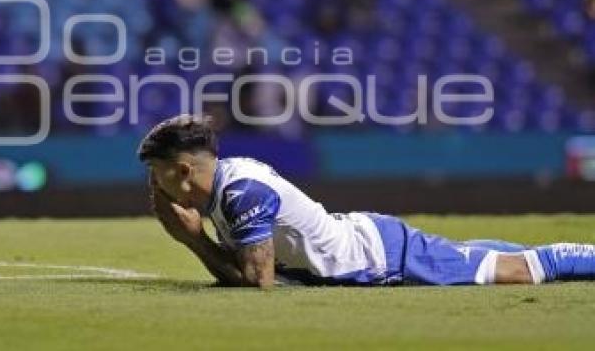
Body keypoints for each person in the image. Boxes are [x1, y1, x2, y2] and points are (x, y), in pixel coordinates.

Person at [138, 114, 595, 288]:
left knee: (519, 273)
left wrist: (193, 240)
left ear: (181, 170)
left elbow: (259, 284)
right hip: (367, 243)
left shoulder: (240, 193)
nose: (154, 186)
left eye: (156, 174)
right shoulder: (226, 185)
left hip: (381, 257)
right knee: (470, 256)